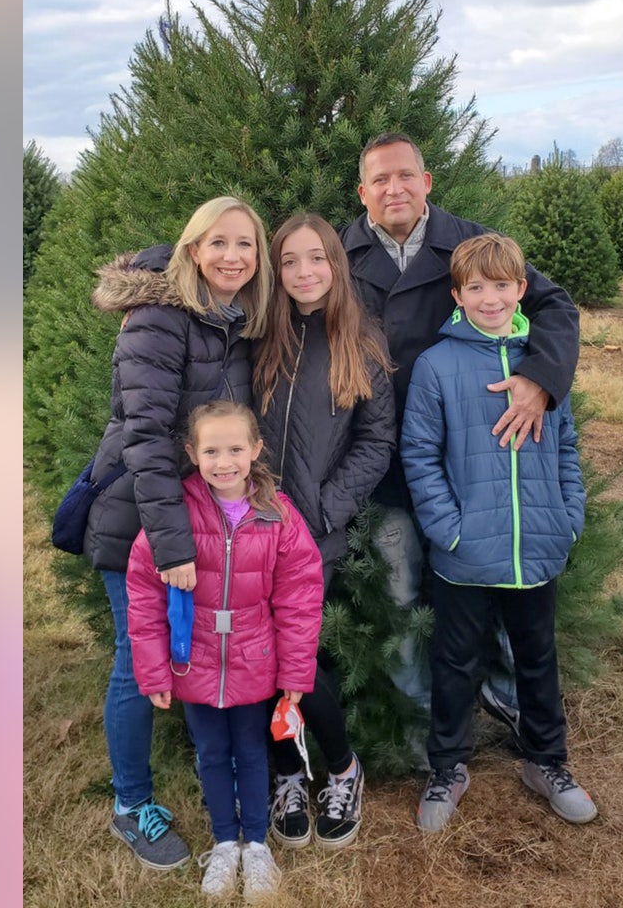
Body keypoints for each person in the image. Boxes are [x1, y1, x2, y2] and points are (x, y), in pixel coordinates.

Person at [339, 133, 580, 736]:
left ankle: (503, 696)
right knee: (401, 593)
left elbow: (556, 307)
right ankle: (427, 716)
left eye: (405, 176)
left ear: (427, 182)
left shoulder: (468, 244)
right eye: (379, 180)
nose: (394, 188)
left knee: (494, 584)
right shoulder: (337, 255)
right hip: (386, 461)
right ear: (363, 193)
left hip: (480, 460)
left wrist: (539, 380)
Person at [81, 197, 270, 870]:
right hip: (140, 518)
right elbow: (147, 439)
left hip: (194, 522)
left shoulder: (232, 323)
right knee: (137, 665)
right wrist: (172, 547)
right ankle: (132, 805)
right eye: (219, 242)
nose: (232, 256)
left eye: (245, 245)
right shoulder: (159, 319)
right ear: (194, 249)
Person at [398, 233, 595, 832]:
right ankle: (448, 768)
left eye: (501, 286)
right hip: (464, 553)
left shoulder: (543, 363)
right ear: (457, 295)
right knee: (455, 661)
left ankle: (547, 761)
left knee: (537, 656)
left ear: (521, 290)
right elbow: (420, 454)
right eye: (476, 288)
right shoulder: (438, 365)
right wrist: (447, 530)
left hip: (538, 544)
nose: (490, 298)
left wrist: (568, 517)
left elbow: (565, 447)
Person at [127, 401, 324, 902]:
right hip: (192, 662)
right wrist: (153, 674)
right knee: (212, 752)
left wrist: (296, 673)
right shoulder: (174, 517)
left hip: (254, 661)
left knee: (253, 751)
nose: (224, 461)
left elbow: (300, 598)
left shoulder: (277, 515)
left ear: (255, 450)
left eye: (236, 449)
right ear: (192, 453)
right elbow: (145, 596)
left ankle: (256, 844)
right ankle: (223, 842)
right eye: (211, 450)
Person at [251, 213, 395, 849]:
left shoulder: (360, 341)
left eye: (317, 258)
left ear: (336, 264)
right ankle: (286, 771)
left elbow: (376, 440)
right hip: (247, 529)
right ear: (274, 270)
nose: (304, 272)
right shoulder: (259, 335)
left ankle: (340, 767)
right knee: (256, 658)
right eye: (289, 261)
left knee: (298, 658)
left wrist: (325, 509)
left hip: (314, 534)